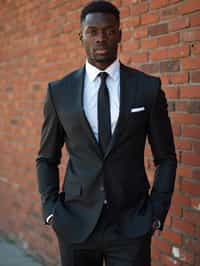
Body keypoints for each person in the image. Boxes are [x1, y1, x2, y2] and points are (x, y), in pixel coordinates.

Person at [36, 1, 177, 265]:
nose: (101, 38)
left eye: (109, 31)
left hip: (131, 224)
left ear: (120, 35)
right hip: (75, 224)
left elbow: (166, 157)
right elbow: (46, 157)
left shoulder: (147, 88)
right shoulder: (59, 91)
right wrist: (51, 210)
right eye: (92, 31)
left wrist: (156, 212)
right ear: (81, 36)